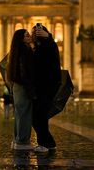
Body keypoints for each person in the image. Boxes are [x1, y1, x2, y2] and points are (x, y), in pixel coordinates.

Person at [31, 24, 61, 153]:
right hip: (39, 87)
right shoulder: (37, 48)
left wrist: (49, 37)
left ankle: (45, 143)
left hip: (48, 86)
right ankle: (48, 143)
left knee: (40, 116)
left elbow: (52, 49)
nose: (35, 34)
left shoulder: (49, 45)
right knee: (37, 116)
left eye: (37, 32)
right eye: (33, 33)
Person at [6, 29, 35, 150]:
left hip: (16, 85)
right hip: (24, 85)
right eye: (27, 35)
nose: (29, 37)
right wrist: (30, 87)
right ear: (21, 39)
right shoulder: (25, 51)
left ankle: (16, 140)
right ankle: (23, 142)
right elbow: (25, 72)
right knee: (25, 114)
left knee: (19, 114)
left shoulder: (15, 52)